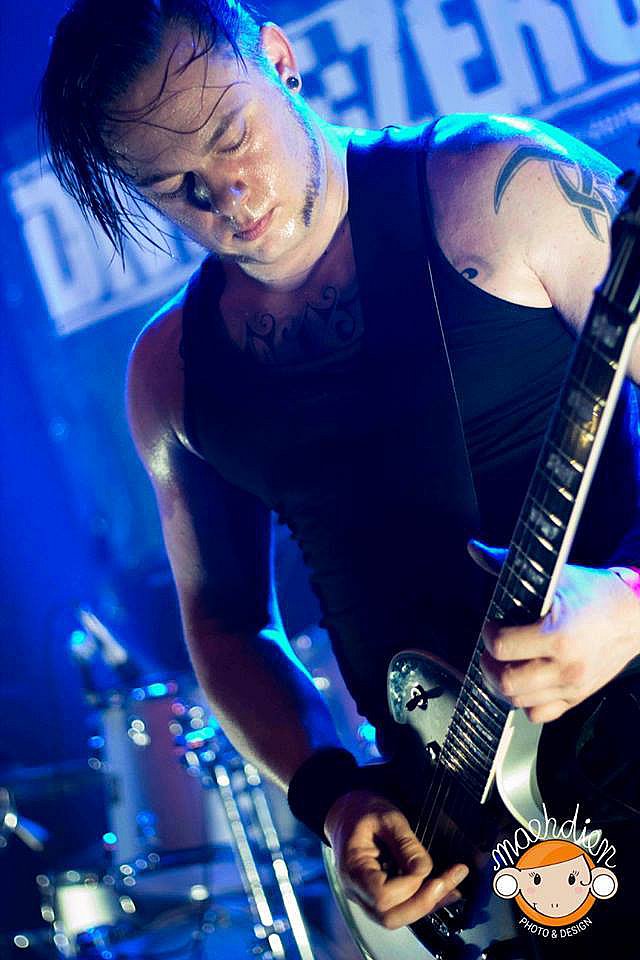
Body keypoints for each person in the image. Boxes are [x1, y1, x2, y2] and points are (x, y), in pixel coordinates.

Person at [39, 0, 640, 950]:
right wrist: (331, 794)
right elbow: (225, 625)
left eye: (232, 136)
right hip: (464, 851)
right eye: (174, 185)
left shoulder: (499, 188)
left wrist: (631, 605)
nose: (228, 195)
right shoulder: (173, 376)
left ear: (280, 61)